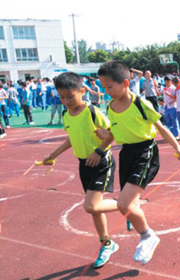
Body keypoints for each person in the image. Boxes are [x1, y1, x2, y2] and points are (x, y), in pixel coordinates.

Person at [95, 60, 180, 266]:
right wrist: (107, 135)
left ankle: (148, 236)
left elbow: (161, 128)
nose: (106, 91)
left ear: (125, 83)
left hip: (145, 152)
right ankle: (141, 226)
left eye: (109, 86)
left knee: (123, 203)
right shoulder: (110, 106)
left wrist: (178, 148)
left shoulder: (141, 104)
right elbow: (116, 131)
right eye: (103, 87)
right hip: (126, 153)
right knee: (126, 202)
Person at [41, 72, 119, 268]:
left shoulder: (93, 113)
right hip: (84, 164)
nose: (66, 101)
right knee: (95, 209)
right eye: (62, 97)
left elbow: (111, 136)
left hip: (101, 162)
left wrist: (98, 152)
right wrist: (53, 155)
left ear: (82, 91)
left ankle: (128, 204)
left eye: (70, 96)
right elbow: (71, 139)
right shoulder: (67, 115)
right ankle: (107, 244)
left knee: (91, 206)